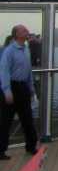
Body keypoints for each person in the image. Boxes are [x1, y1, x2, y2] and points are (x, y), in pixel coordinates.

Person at [0, 24, 38, 158]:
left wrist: (31, 87)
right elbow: (4, 72)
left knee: (27, 117)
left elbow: (28, 71)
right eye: (24, 30)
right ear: (17, 35)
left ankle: (31, 145)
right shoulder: (9, 51)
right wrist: (7, 91)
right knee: (6, 120)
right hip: (12, 86)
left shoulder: (26, 49)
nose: (27, 32)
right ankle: (1, 150)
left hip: (23, 88)